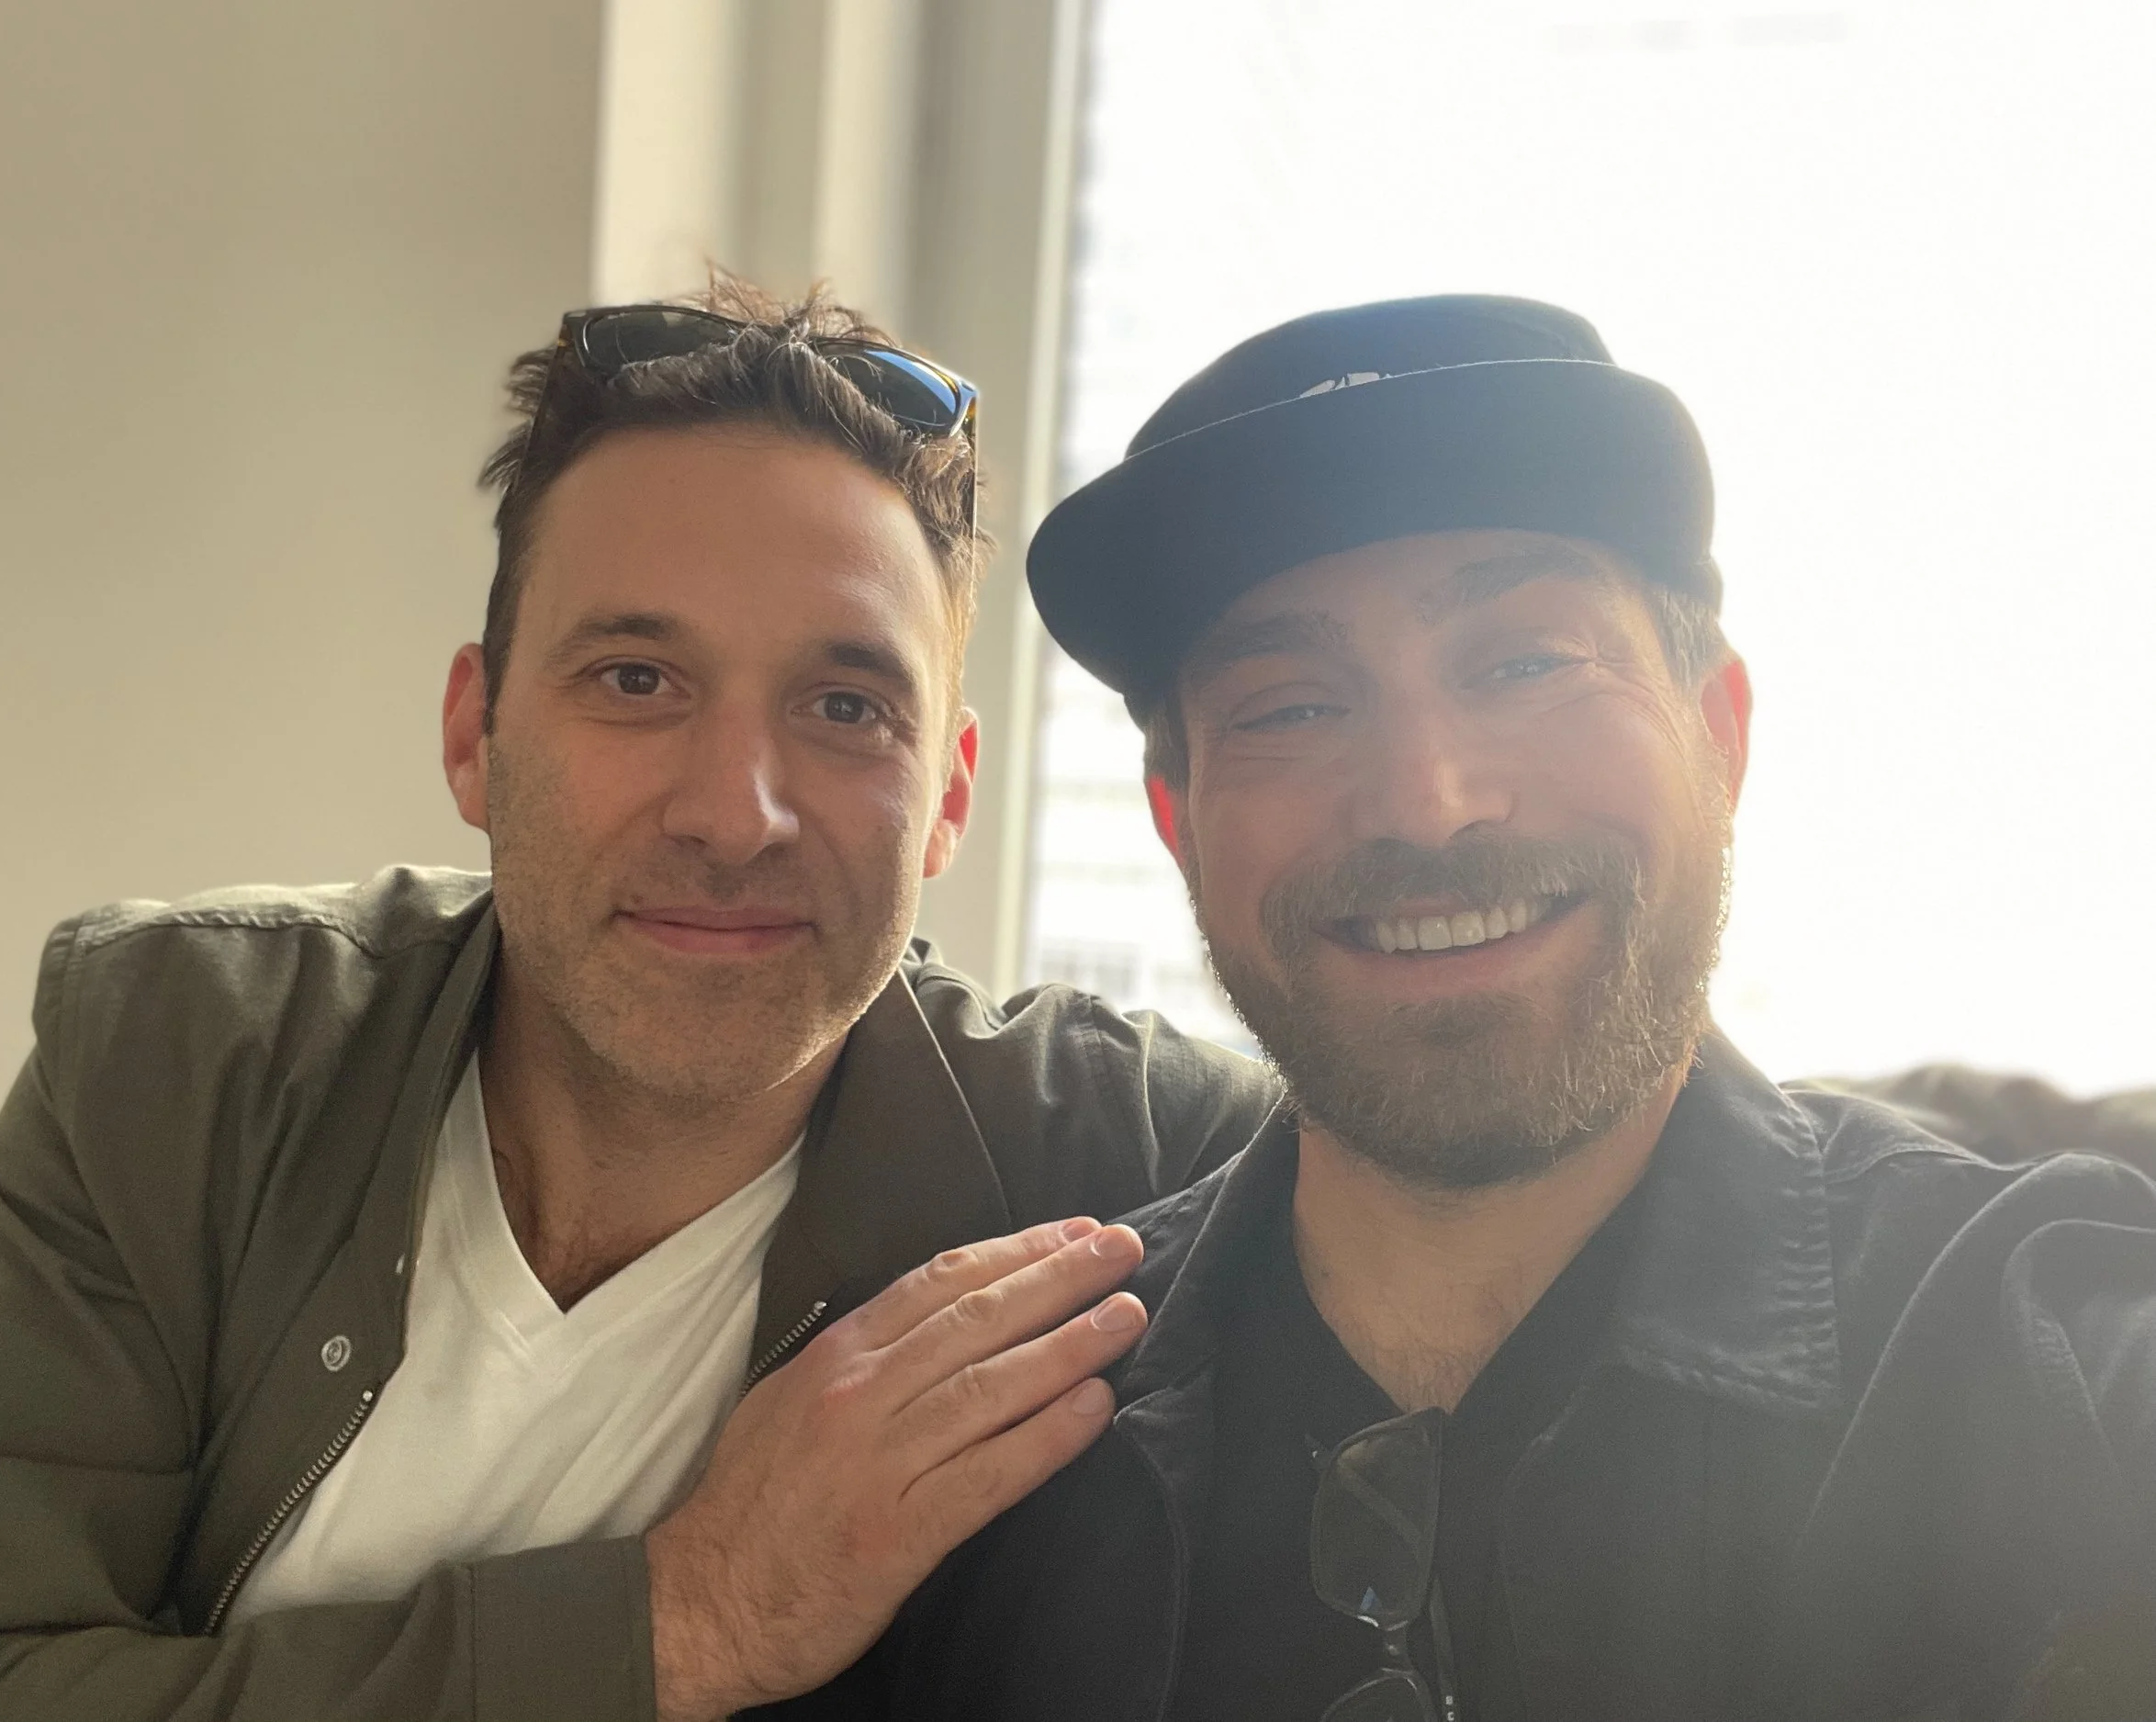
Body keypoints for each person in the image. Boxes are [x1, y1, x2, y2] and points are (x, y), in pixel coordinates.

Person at [0, 282, 1281, 1722]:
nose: (737, 815)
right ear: (476, 735)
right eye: (638, 678)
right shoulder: (193, 1059)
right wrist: (686, 1618)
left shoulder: (1130, 1159)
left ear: (949, 797)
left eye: (846, 707)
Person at [827, 295, 2156, 1721]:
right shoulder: (984, 1468)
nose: (1428, 801)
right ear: (1179, 817)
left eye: (1525, 663)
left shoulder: (2048, 1358)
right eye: (1291, 706)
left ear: (1718, 732)